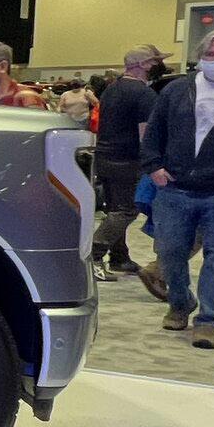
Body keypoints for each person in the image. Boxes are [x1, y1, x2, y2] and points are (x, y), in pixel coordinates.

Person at [140, 28, 214, 349]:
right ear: (201, 57)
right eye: (211, 54)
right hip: (174, 189)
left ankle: (208, 321)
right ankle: (179, 303)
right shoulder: (176, 91)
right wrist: (154, 167)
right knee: (170, 253)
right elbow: (153, 132)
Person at [90, 46, 160, 276]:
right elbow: (145, 135)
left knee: (114, 208)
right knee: (127, 210)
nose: (157, 66)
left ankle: (120, 257)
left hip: (104, 156)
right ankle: (94, 253)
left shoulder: (111, 89)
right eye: (155, 61)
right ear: (145, 64)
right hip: (128, 160)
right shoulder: (144, 94)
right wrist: (153, 161)